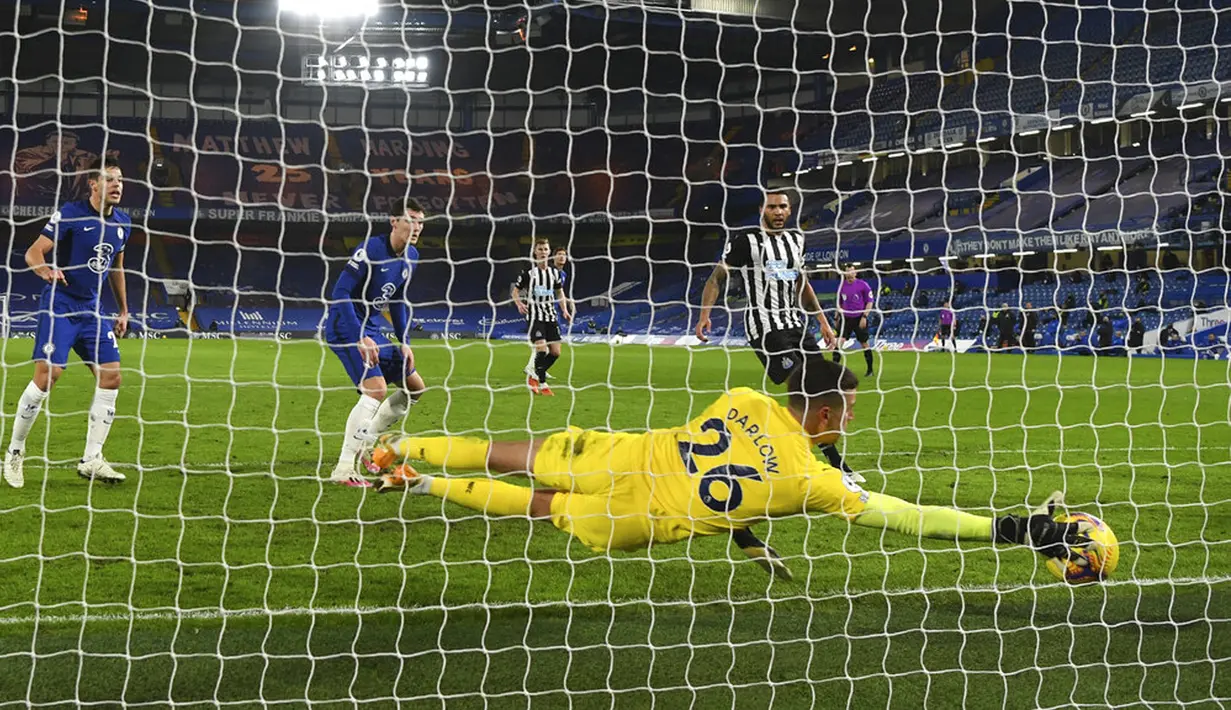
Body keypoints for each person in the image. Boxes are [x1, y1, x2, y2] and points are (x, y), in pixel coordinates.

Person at [364, 357, 1095, 580]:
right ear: (825, 416)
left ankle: (399, 451)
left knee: (509, 453)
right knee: (540, 511)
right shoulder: (811, 482)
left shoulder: (742, 394)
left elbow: (742, 446)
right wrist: (1011, 528)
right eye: (844, 409)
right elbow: (906, 517)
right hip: (636, 522)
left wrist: (746, 526)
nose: (848, 417)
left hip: (621, 453)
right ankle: (418, 484)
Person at [5, 157, 131, 488]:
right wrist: (44, 269)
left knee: (112, 376)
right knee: (49, 376)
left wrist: (123, 310)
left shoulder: (123, 223)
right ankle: (15, 452)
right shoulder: (71, 214)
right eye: (110, 179)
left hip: (92, 310)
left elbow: (116, 268)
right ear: (93, 184)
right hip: (60, 305)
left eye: (120, 180)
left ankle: (92, 459)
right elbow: (34, 252)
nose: (117, 185)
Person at [323, 197, 428, 486]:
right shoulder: (370, 250)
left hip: (372, 327)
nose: (417, 227)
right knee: (375, 390)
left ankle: (368, 443)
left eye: (421, 221)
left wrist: (404, 341)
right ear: (394, 222)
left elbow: (397, 300)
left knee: (415, 388)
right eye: (411, 220)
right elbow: (340, 292)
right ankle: (344, 468)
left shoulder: (412, 257)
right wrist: (360, 337)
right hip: (346, 326)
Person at [696, 191, 837, 384]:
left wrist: (823, 321)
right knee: (799, 380)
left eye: (782, 207)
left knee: (822, 380)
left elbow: (801, 284)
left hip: (794, 323)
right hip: (764, 326)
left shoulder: (797, 240)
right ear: (762, 210)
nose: (778, 212)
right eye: (772, 207)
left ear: (789, 211)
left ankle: (802, 414)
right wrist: (705, 315)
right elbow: (715, 279)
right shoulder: (746, 240)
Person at [513, 238, 573, 395]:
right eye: (540, 249)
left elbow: (560, 292)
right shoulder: (529, 274)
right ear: (535, 252)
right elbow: (515, 291)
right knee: (541, 350)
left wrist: (565, 310)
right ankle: (542, 383)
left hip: (551, 316)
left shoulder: (555, 274)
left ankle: (534, 373)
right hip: (535, 317)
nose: (543, 252)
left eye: (545, 249)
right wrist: (519, 304)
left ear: (548, 252)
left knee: (556, 352)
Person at [833, 266, 875, 376]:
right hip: (846, 318)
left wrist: (864, 316)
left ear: (855, 273)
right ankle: (833, 371)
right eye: (847, 272)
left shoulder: (863, 285)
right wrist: (836, 317)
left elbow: (870, 302)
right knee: (838, 342)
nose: (850, 274)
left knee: (864, 343)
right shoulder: (841, 286)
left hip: (859, 317)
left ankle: (870, 370)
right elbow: (839, 303)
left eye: (851, 271)